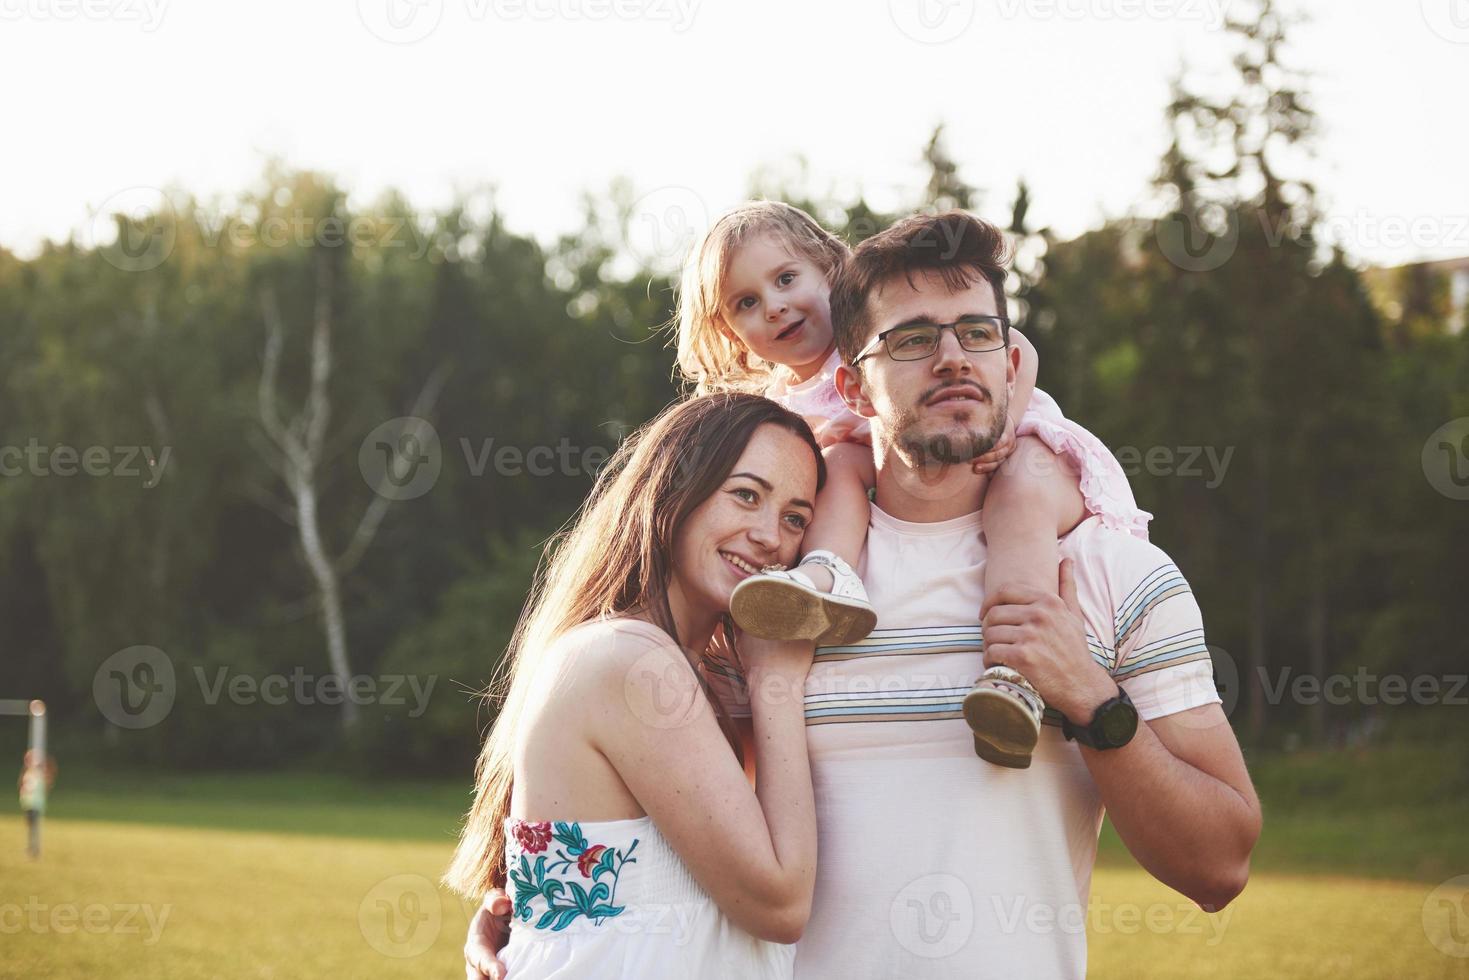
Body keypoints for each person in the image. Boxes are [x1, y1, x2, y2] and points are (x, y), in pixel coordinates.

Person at [466, 211, 1261, 979]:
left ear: (1009, 361)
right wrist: (540, 904)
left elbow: (1219, 866)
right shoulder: (774, 590)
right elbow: (649, 782)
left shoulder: (1107, 573)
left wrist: (1091, 700)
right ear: (850, 384)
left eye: (976, 332)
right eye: (912, 339)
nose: (951, 358)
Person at [672, 201, 1151, 768]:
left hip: (1006, 448)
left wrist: (1004, 422)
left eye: (786, 279)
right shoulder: (777, 406)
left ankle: (1014, 674)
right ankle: (826, 577)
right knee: (843, 461)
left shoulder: (889, 328)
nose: (775, 306)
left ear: (831, 270)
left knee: (1018, 497)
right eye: (747, 304)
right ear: (731, 334)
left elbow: (1018, 348)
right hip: (912, 482)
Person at [444, 393, 825, 979]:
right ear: (675, 490)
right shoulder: (630, 660)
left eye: (795, 518)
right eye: (746, 495)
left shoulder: (675, 667)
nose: (772, 536)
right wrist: (777, 677)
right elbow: (780, 904)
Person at [18, 749, 55, 859]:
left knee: (34, 827)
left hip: (35, 805)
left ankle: (34, 848)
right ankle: (32, 847)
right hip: (28, 804)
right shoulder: (28, 773)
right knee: (31, 827)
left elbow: (47, 784)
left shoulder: (38, 774)